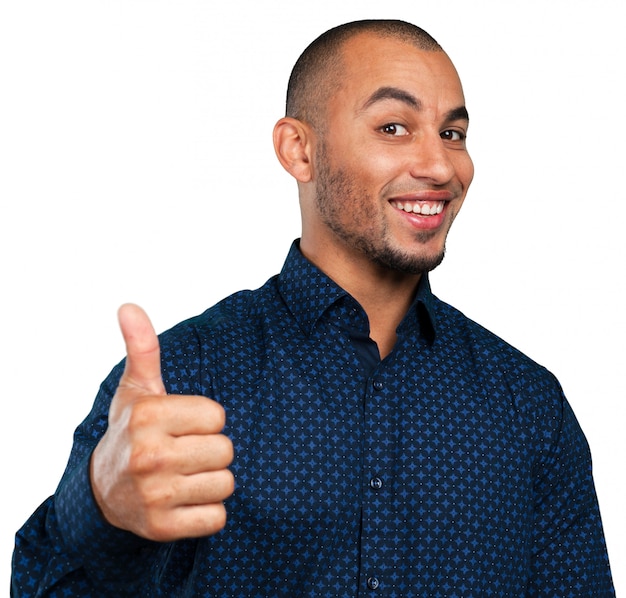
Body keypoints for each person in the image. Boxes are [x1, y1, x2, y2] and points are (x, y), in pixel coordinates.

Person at [12, 19, 614, 597]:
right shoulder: (183, 379)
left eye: (452, 134)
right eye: (394, 128)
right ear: (298, 149)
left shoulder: (529, 405)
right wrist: (102, 508)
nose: (439, 166)